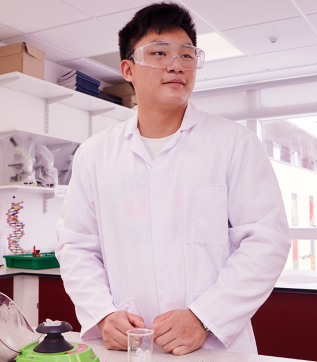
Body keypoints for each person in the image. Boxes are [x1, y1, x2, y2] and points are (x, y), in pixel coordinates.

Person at [55, 2, 291, 356]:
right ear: (128, 69)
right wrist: (103, 315)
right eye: (160, 53)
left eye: (187, 54)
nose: (177, 65)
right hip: (127, 345)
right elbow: (76, 246)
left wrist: (204, 317)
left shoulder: (233, 143)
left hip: (212, 347)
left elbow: (266, 241)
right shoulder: (95, 154)